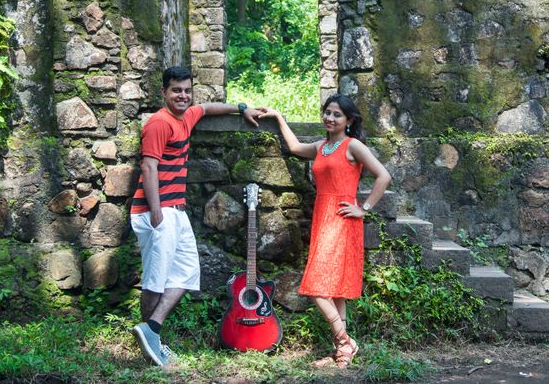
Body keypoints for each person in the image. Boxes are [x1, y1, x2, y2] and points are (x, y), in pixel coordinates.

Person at [130, 66, 264, 367]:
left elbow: (207, 108)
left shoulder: (186, 116)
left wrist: (242, 108)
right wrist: (156, 211)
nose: (183, 95)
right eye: (176, 90)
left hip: (175, 211)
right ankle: (150, 341)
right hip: (156, 210)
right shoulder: (159, 123)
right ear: (164, 92)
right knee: (155, 279)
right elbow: (149, 167)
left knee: (187, 271)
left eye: (187, 90)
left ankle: (151, 330)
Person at [260, 94, 391, 368]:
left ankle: (345, 341)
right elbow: (294, 147)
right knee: (334, 289)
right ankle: (342, 351)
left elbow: (384, 176)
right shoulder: (322, 147)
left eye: (337, 114)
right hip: (323, 218)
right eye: (327, 112)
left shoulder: (353, 146)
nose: (330, 118)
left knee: (317, 287)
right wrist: (278, 117)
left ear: (349, 120)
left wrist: (364, 208)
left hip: (342, 220)